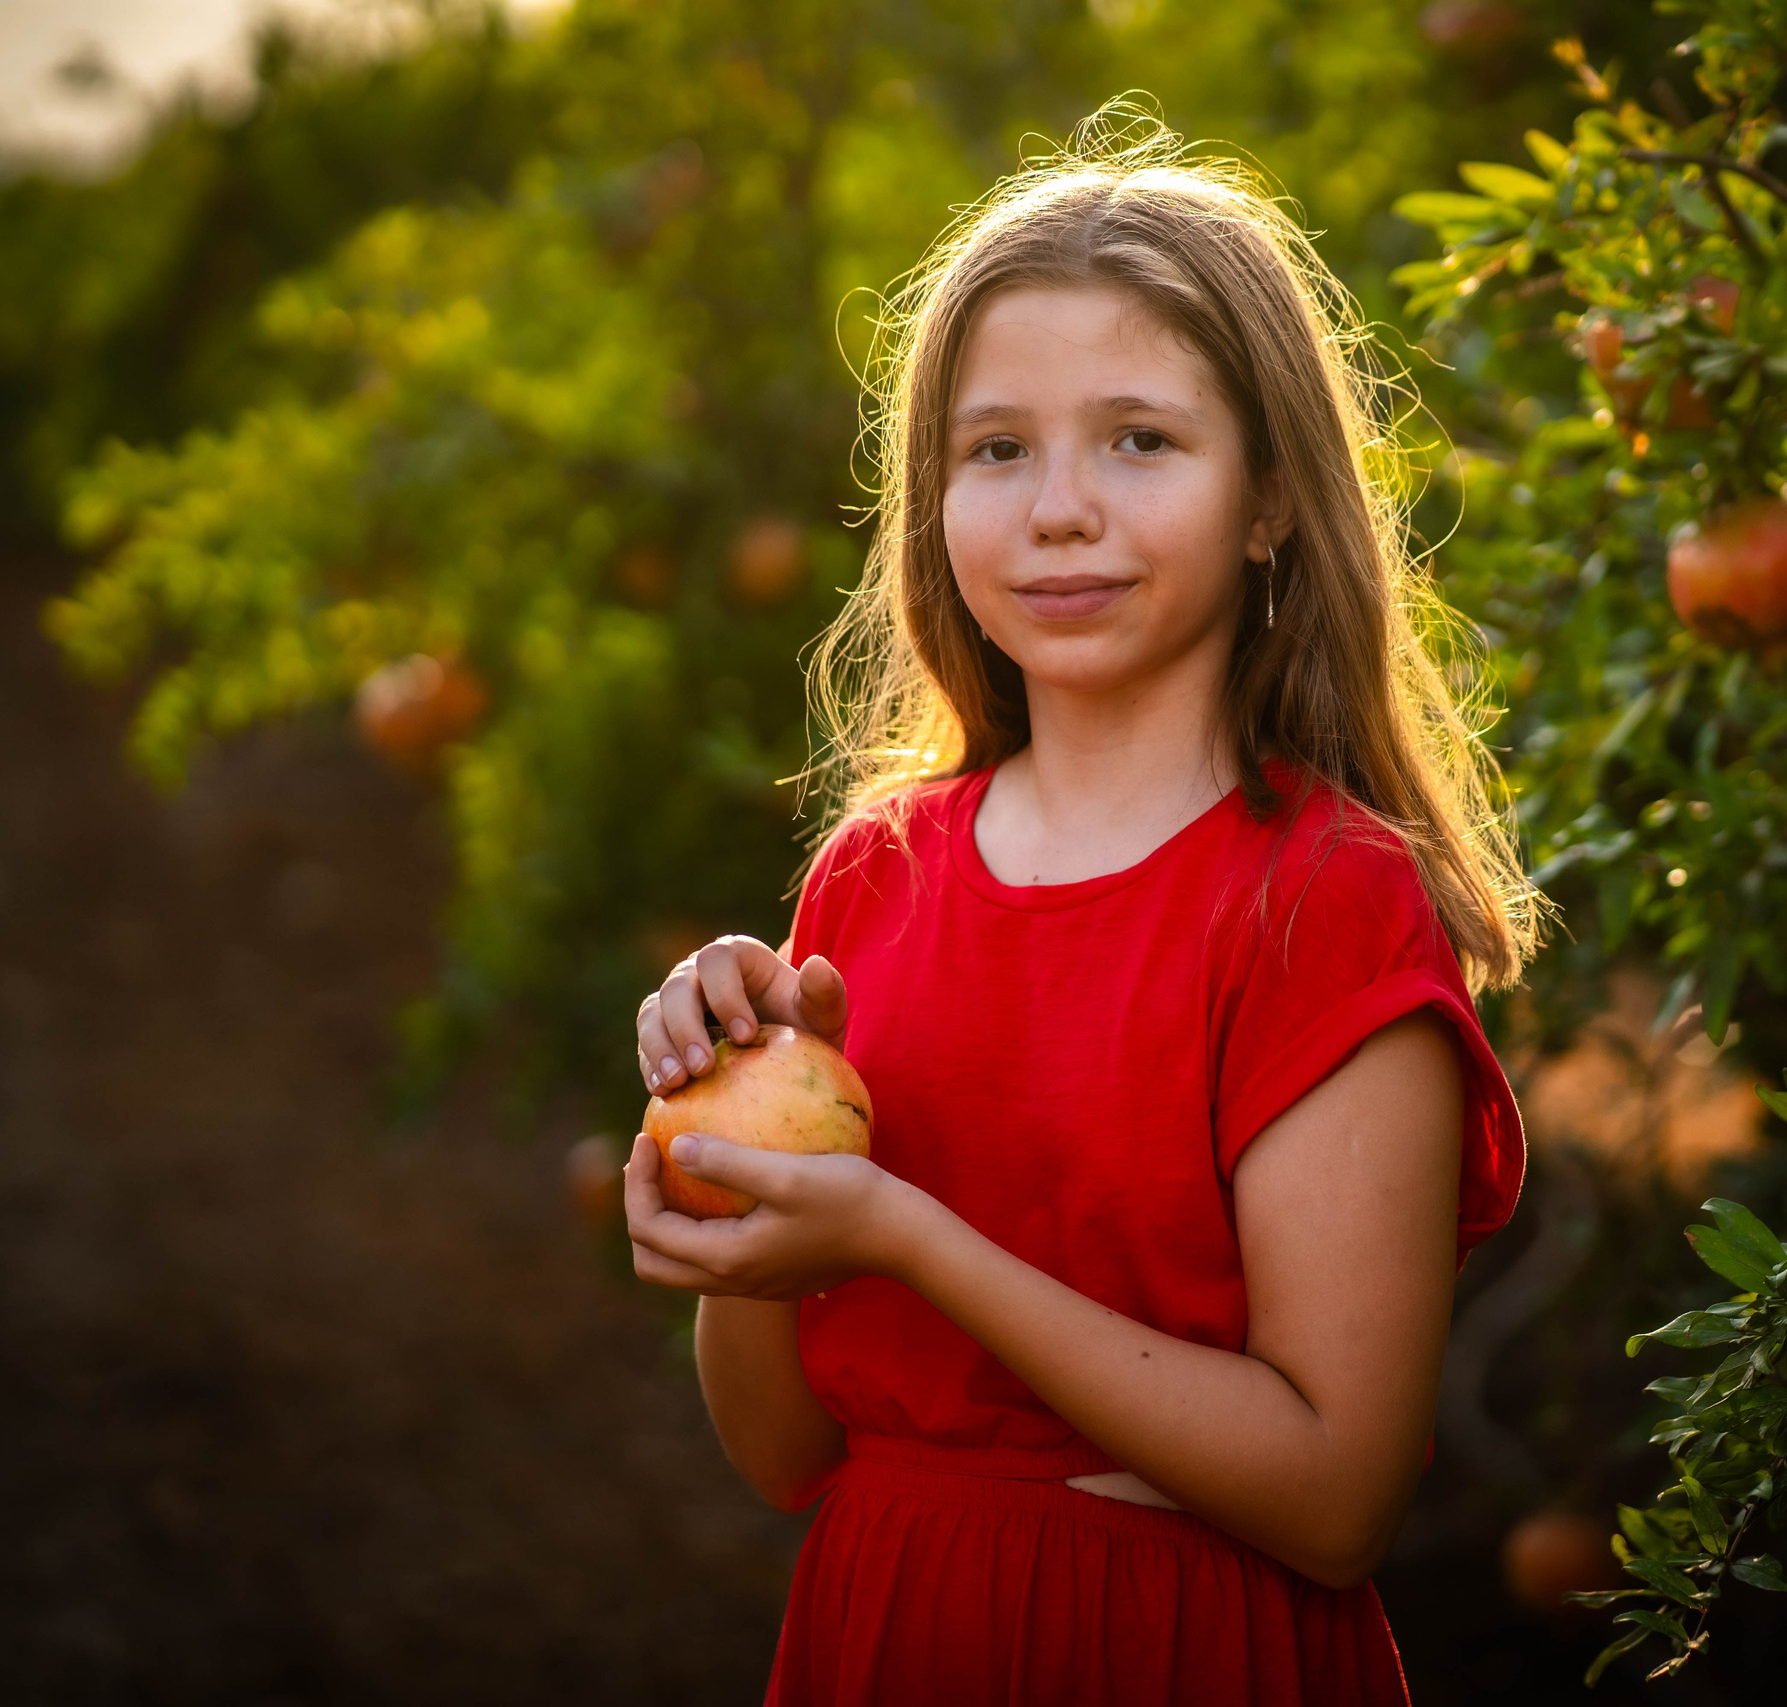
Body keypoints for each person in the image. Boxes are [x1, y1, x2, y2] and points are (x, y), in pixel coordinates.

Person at [623, 117, 1541, 1706]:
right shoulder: (877, 875)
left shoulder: (1323, 905)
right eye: (997, 450)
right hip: (887, 1627)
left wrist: (903, 1234)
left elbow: (1337, 1505)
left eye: (1140, 440)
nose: (1059, 508)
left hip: (1178, 1652)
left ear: (1269, 502)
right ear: (934, 502)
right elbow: (783, 1454)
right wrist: (720, 1172)